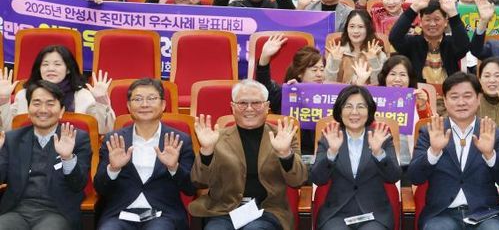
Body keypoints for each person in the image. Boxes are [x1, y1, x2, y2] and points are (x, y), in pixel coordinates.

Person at [190, 80, 307, 230]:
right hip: (224, 211)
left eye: (256, 103)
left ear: (267, 106)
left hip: (268, 210)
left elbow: (298, 180)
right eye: (242, 103)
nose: (249, 109)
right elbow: (199, 181)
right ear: (233, 107)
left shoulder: (284, 136)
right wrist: (207, 151)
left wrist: (285, 154)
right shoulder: (216, 138)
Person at [408, 72, 499, 230]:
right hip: (442, 214)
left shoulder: (493, 133)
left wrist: (490, 155)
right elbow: (415, 177)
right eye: (454, 97)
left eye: (467, 96)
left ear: (478, 99)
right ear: (445, 101)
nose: (461, 102)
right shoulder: (431, 132)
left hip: (485, 214)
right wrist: (434, 151)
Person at [94, 78, 195, 230]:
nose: (145, 104)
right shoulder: (114, 140)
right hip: (120, 213)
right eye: (138, 99)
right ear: (129, 106)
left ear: (163, 105)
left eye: (152, 98)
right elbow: (100, 187)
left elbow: (190, 188)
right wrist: (113, 169)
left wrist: (174, 168)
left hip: (164, 214)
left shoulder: (179, 140)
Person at [0, 80, 91, 230]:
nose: (43, 110)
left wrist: (67, 158)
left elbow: (78, 184)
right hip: (16, 211)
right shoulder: (12, 139)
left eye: (50, 104)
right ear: (28, 109)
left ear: (61, 111)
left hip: (57, 212)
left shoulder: (76, 138)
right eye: (36, 103)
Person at [311, 85, 401, 230]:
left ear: (369, 111)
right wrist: (332, 153)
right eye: (348, 106)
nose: (354, 112)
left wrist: (379, 153)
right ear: (340, 111)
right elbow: (317, 179)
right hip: (337, 214)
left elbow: (393, 177)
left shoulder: (381, 136)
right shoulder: (330, 136)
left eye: (361, 106)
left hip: (374, 215)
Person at [0, 45, 115, 133]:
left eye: (57, 64)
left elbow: (103, 130)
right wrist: (3, 100)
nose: (51, 68)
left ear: (68, 69)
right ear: (39, 69)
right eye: (45, 64)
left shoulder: (83, 96)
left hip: (72, 151)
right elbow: (7, 130)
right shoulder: (23, 95)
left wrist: (101, 102)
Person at [389, 0, 470, 84]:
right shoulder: (412, 43)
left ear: (445, 22)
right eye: (427, 20)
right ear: (420, 21)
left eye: (437, 19)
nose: (432, 24)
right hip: (417, 92)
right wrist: (413, 8)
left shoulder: (452, 44)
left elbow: (464, 45)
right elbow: (394, 38)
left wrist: (453, 13)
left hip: (448, 91)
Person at [325, 10, 388, 85]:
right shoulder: (337, 50)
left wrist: (373, 60)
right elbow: (328, 82)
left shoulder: (377, 51)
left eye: (360, 27)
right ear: (347, 28)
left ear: (368, 29)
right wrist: (335, 61)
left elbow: (380, 85)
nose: (355, 31)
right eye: (352, 26)